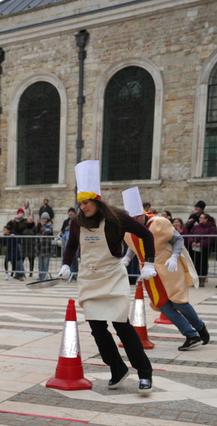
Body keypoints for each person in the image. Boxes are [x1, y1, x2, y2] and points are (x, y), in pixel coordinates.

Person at [59, 161, 156, 394]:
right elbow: (72, 246)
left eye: (86, 202)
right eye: (80, 203)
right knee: (97, 328)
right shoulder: (76, 222)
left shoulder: (117, 218)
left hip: (113, 277)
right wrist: (65, 264)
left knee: (122, 326)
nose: (83, 207)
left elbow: (145, 234)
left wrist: (149, 262)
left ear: (97, 200)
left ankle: (144, 373)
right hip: (90, 279)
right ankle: (117, 368)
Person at [121, 188, 208, 351]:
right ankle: (191, 335)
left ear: (142, 214)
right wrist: (127, 257)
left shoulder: (159, 223)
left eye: (136, 218)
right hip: (149, 271)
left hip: (168, 266)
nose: (134, 222)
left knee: (178, 301)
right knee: (162, 305)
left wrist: (175, 257)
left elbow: (178, 239)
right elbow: (133, 244)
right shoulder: (130, 228)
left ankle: (200, 327)